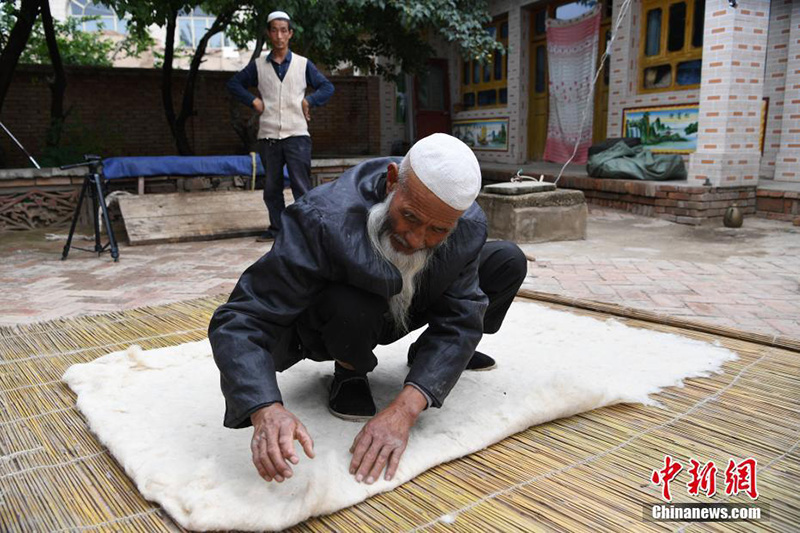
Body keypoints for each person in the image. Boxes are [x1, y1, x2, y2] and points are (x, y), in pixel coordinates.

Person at [209, 133, 526, 486]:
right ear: (392, 181)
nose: (417, 239)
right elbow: (240, 319)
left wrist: (407, 407)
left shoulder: (467, 226)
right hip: (344, 317)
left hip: (405, 303)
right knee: (352, 303)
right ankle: (349, 370)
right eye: (410, 216)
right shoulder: (322, 217)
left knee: (507, 260)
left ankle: (429, 356)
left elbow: (463, 315)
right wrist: (263, 408)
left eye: (438, 229)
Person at [227, 10, 334, 242]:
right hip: (268, 135)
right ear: (268, 34)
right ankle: (276, 229)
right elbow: (234, 84)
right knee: (272, 187)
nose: (279, 35)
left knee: (301, 186)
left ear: (290, 34)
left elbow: (327, 87)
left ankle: (306, 231)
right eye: (274, 30)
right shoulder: (258, 66)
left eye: (283, 30)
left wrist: (309, 100)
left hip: (297, 134)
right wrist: (253, 100)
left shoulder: (303, 64)